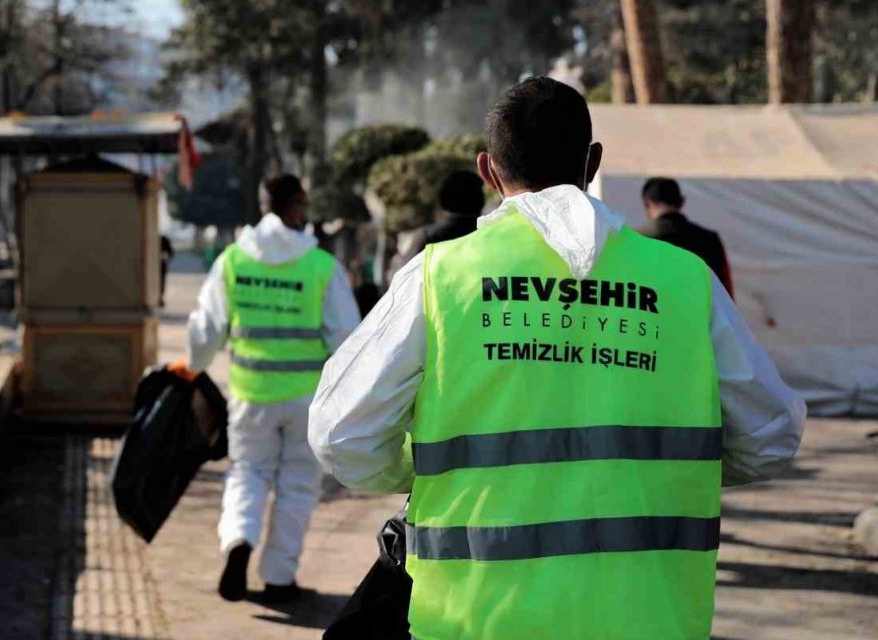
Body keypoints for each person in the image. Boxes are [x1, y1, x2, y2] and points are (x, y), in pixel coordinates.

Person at [308, 77, 805, 639]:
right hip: (649, 621)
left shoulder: (440, 277)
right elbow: (771, 434)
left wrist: (421, 465)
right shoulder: (686, 281)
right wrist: (655, 477)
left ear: (488, 171)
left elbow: (342, 436)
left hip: (473, 623)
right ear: (592, 162)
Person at [172, 174, 360, 604]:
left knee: (247, 473)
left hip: (250, 395)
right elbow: (346, 339)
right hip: (306, 400)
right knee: (297, 485)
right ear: (294, 207)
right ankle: (278, 580)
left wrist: (193, 368)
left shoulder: (234, 260)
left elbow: (206, 329)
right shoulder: (321, 267)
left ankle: (239, 539)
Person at [640, 177, 734, 296]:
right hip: (699, 313)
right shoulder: (709, 241)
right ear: (682, 201)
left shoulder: (632, 243)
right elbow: (726, 296)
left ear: (647, 203)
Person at [159, 234, 174, 307]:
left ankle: (160, 298)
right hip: (151, 266)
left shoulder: (163, 240)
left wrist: (165, 256)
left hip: (161, 266)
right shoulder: (148, 238)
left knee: (161, 282)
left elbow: (171, 253)